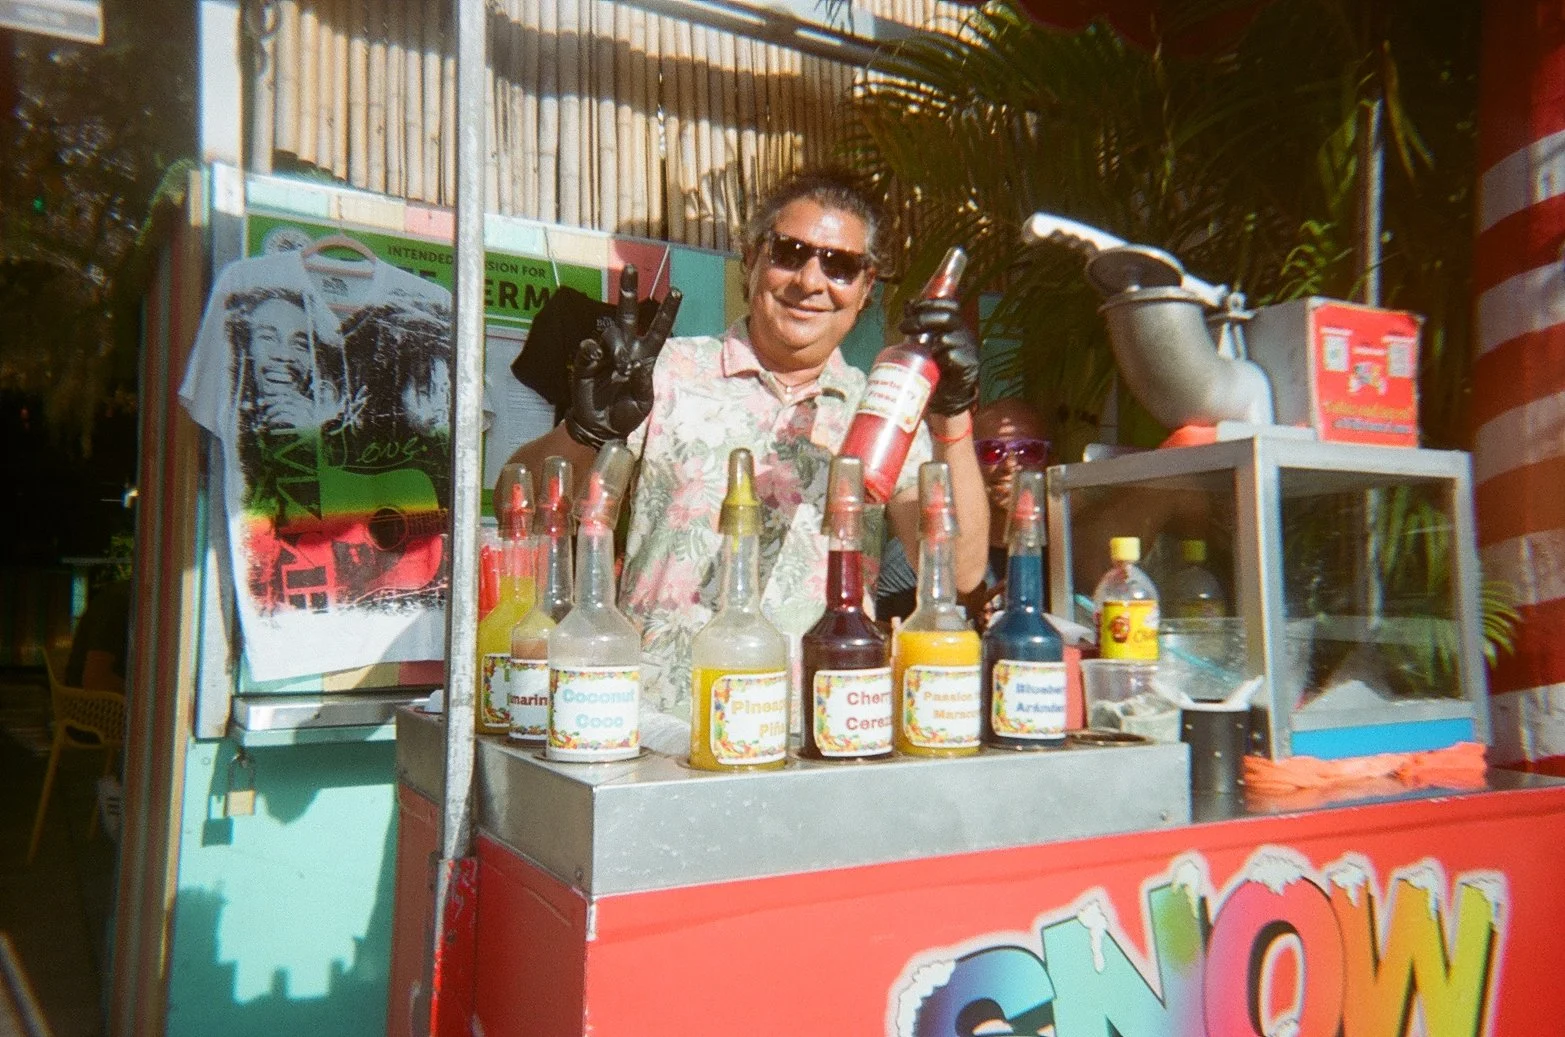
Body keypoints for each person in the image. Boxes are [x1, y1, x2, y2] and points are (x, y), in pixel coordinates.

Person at [506, 168, 989, 721]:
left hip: (817, 731)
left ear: (866, 288)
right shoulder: (667, 372)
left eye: (840, 265)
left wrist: (952, 418)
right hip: (661, 725)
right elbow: (514, 502)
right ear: (750, 260)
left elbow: (961, 572)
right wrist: (584, 433)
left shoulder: (880, 408)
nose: (811, 280)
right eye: (790, 252)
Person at [879, 395, 1052, 627]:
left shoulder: (1066, 552)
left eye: (1029, 451)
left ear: (1052, 460)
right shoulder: (918, 553)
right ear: (967, 460)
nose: (1010, 465)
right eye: (992, 451)